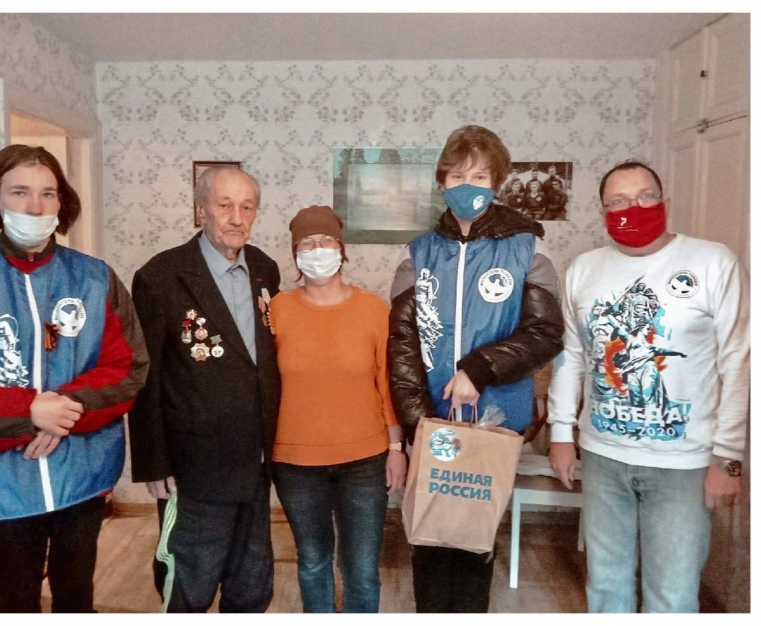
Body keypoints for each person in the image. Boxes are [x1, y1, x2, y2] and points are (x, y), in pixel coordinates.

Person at [0, 144, 149, 612]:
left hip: (81, 469)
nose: (35, 207)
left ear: (61, 200)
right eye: (20, 192)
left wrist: (64, 410)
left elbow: (128, 366)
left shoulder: (95, 279)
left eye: (48, 193)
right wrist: (29, 411)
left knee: (77, 596)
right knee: (16, 598)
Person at [547, 160, 750, 613]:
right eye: (618, 201)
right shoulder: (584, 269)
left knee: (672, 597)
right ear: (603, 212)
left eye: (645, 196)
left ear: (665, 202)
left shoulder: (712, 262)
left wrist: (729, 458)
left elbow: (738, 363)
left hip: (684, 464)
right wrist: (561, 434)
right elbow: (570, 356)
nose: (633, 208)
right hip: (602, 457)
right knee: (606, 588)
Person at [388, 125, 565, 612]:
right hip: (431, 417)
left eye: (481, 176)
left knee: (474, 535)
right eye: (458, 175)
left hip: (496, 418)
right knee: (428, 535)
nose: (469, 185)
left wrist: (479, 369)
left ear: (497, 182)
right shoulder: (417, 253)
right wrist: (417, 423)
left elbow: (546, 332)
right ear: (441, 181)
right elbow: (402, 345)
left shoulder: (529, 248)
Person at [128, 166, 281, 613]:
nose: (236, 218)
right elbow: (146, 375)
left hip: (255, 459)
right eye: (224, 205)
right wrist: (153, 461)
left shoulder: (264, 270)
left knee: (251, 584)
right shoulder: (161, 276)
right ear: (201, 210)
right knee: (189, 583)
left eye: (247, 207)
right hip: (193, 466)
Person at [268, 205, 406, 613]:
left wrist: (396, 449)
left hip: (364, 460)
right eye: (307, 243)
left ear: (341, 249)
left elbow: (387, 383)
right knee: (313, 562)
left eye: (326, 241)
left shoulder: (373, 309)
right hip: (295, 462)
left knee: (361, 570)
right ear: (295, 254)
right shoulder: (276, 310)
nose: (318, 250)